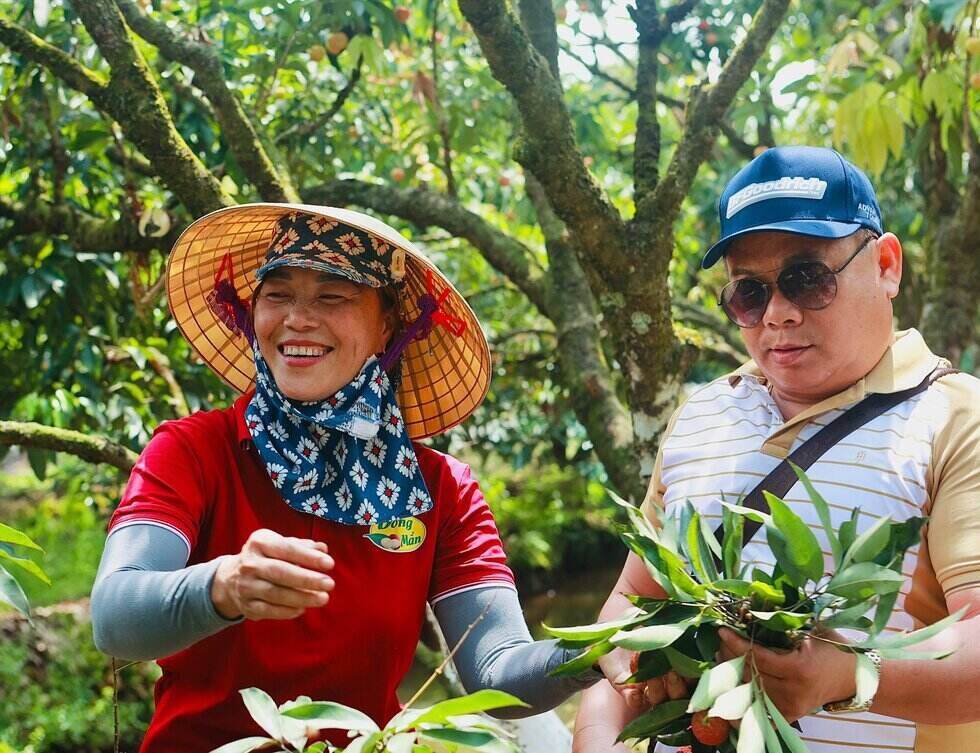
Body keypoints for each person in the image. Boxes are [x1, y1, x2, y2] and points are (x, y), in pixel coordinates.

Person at [90, 204, 598, 751]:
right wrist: (222, 586)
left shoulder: (440, 489)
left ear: (386, 327)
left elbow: (496, 668)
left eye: (333, 296)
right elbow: (115, 615)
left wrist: (599, 652)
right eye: (277, 294)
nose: (298, 318)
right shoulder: (193, 452)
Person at [572, 146, 980, 753]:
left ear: (886, 265)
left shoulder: (957, 418)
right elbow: (632, 609)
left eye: (807, 279)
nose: (778, 315)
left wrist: (850, 675)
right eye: (749, 292)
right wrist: (601, 732)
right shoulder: (704, 412)